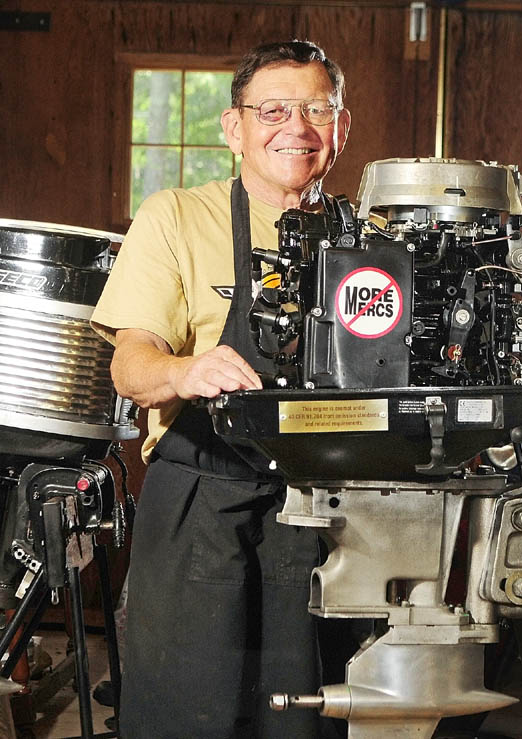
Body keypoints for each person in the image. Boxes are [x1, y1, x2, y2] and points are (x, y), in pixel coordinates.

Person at [91, 39, 351, 739]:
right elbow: (131, 365)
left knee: (311, 721)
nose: (296, 127)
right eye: (273, 110)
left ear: (340, 128)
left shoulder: (369, 240)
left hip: (329, 520)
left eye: (316, 109)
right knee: (187, 716)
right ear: (234, 128)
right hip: (201, 510)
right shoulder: (177, 216)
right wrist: (186, 370)